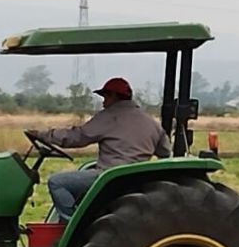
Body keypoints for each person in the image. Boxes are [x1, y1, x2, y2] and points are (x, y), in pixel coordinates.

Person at [25, 76, 170, 221]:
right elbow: (165, 152)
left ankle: (73, 225)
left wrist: (43, 135)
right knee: (87, 170)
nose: (103, 102)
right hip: (135, 179)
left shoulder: (109, 117)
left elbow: (77, 137)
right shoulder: (151, 122)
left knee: (57, 182)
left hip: (110, 178)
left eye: (105, 97)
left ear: (114, 96)